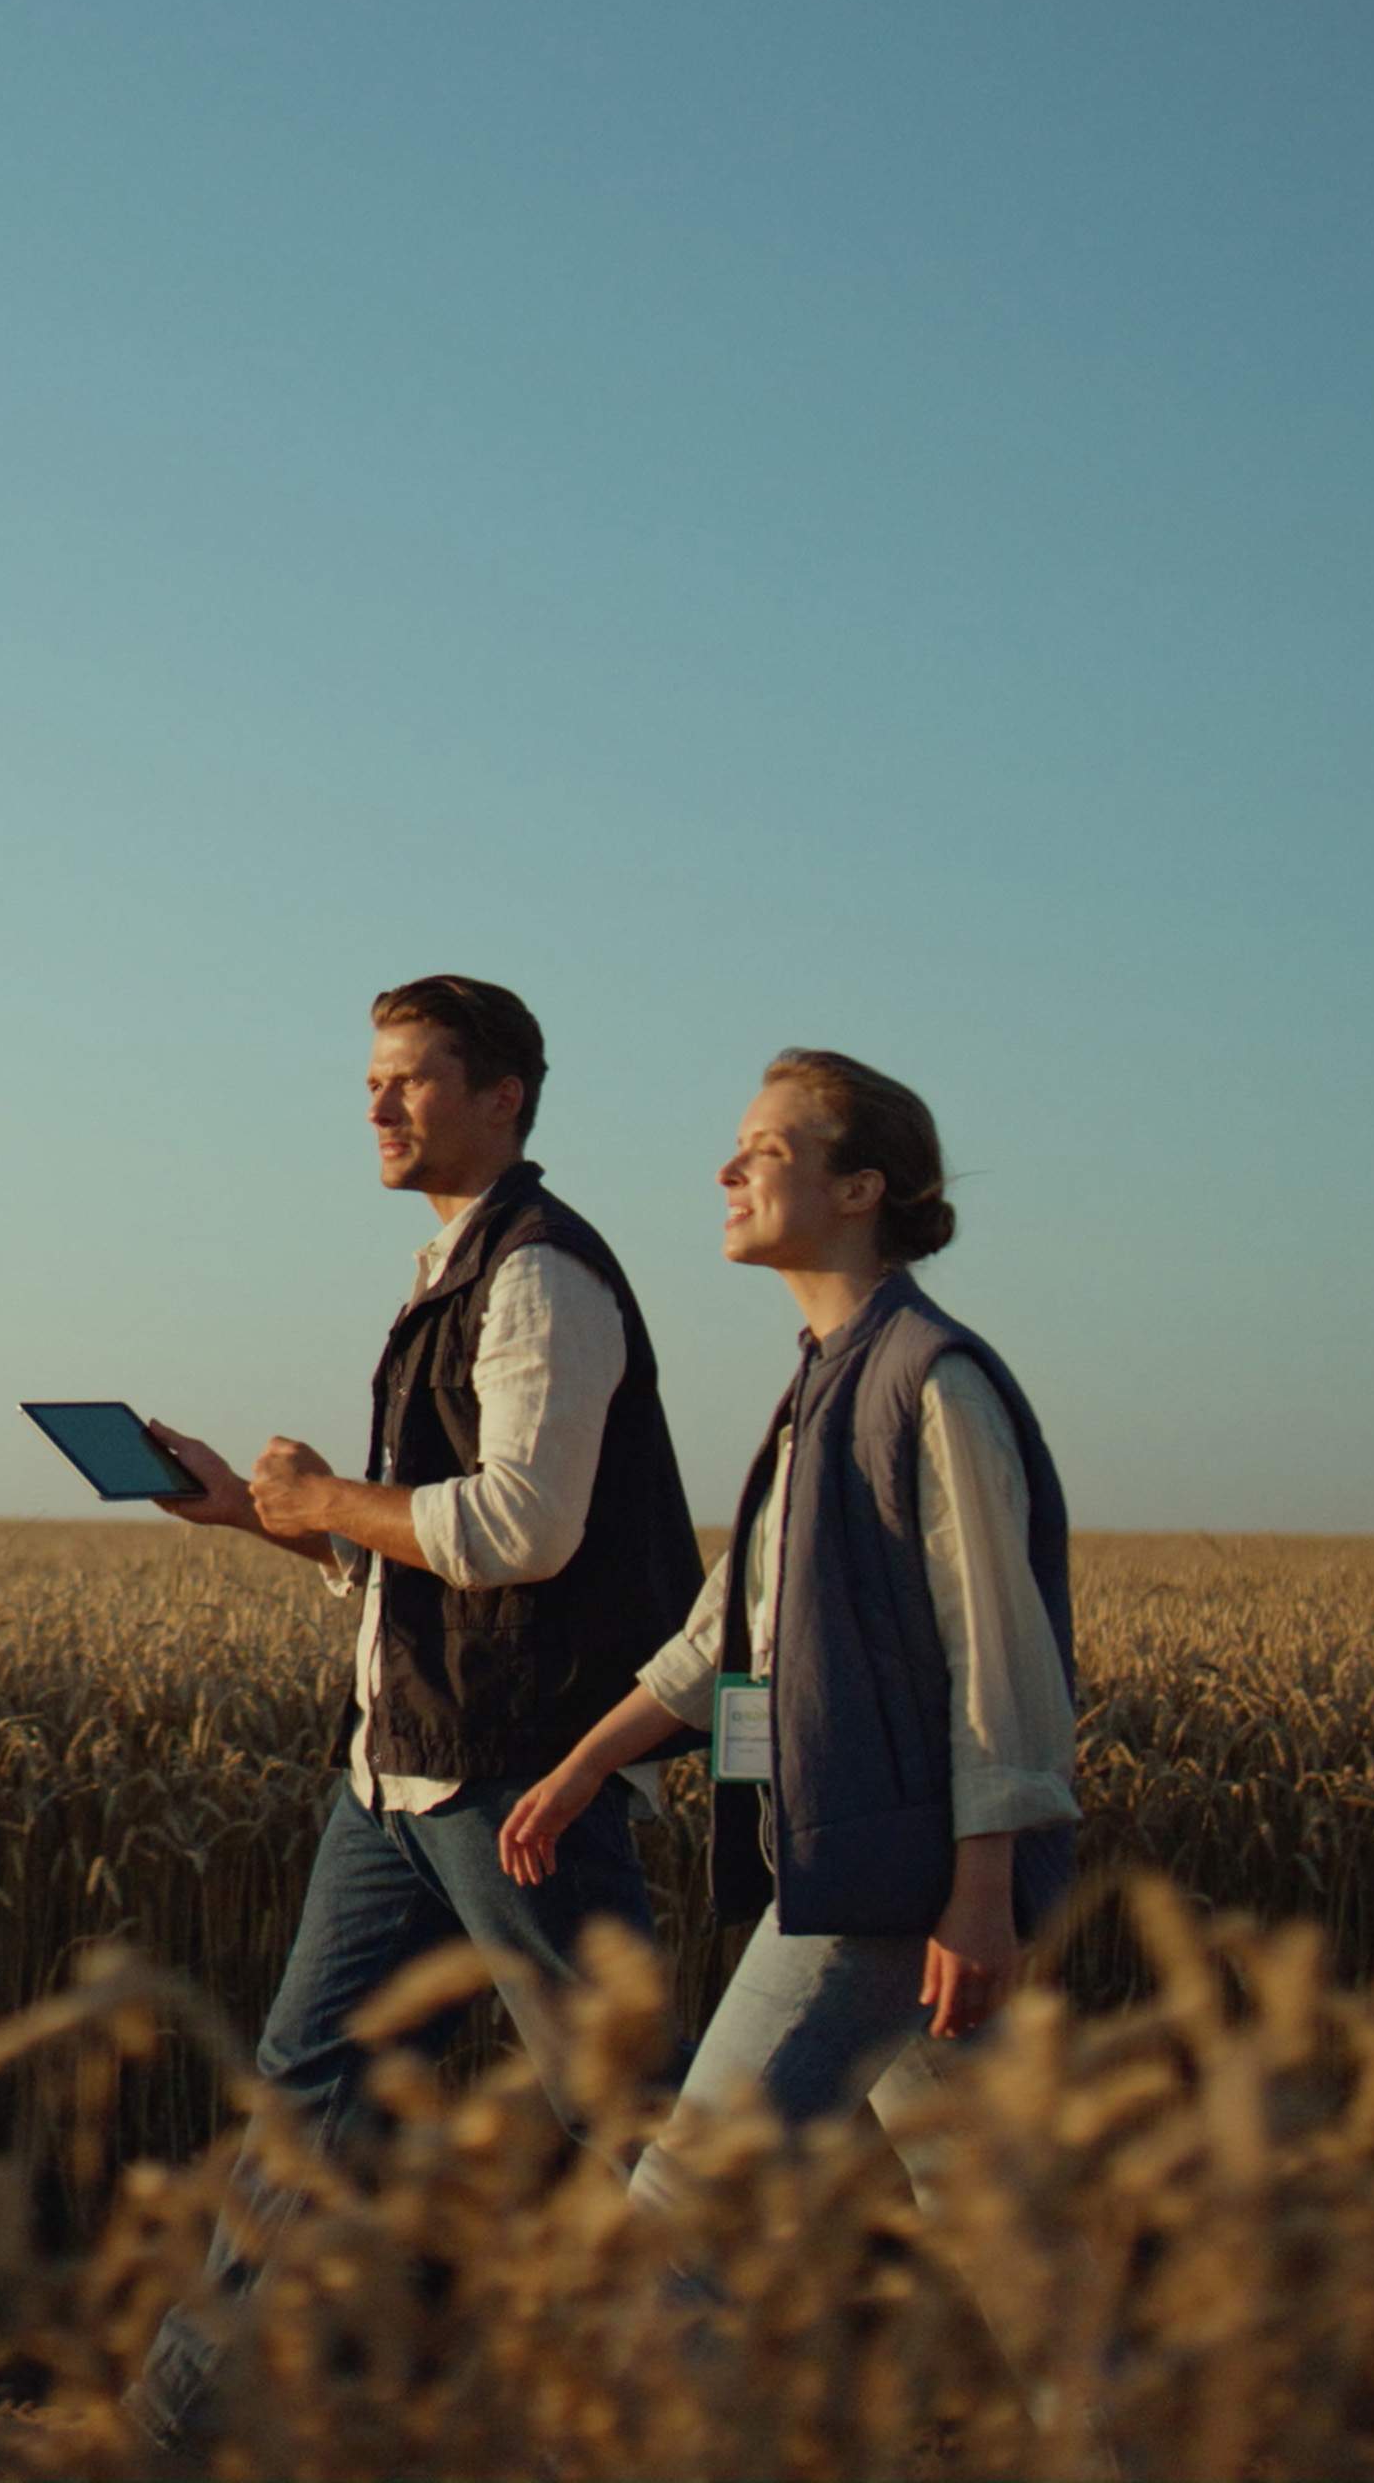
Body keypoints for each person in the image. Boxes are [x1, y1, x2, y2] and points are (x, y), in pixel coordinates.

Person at [124, 974, 703, 2451]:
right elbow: (428, 1572)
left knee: (624, 2110)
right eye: (372, 1082)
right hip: (401, 1778)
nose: (378, 1106)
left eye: (412, 1080)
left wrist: (325, 1493)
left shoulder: (541, 1276)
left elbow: (522, 1531)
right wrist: (266, 1521)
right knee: (306, 2100)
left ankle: (774, 2388)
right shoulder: (453, 1268)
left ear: (503, 1096)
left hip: (517, 1778)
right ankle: (173, 2438)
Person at [496, 1048, 1077, 2242]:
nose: (726, 1168)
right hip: (869, 1860)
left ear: (859, 1189)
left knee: (678, 2222)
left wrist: (981, 1894)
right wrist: (586, 1764)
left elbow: (1002, 1659)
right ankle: (1125, 2433)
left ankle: (667, 2437)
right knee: (1001, 2231)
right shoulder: (824, 1383)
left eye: (765, 1149)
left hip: (885, 1877)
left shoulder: (931, 1381)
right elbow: (729, 1632)